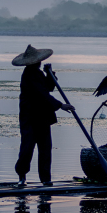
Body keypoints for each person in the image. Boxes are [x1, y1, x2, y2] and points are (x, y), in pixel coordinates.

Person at [12, 44, 73, 187]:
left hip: (43, 118)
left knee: (45, 148)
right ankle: (22, 177)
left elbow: (49, 88)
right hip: (30, 117)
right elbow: (42, 94)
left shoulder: (38, 73)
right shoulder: (29, 74)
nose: (40, 62)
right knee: (27, 148)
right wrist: (60, 105)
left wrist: (50, 74)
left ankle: (46, 179)